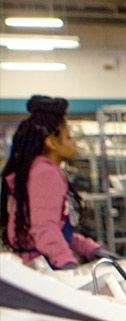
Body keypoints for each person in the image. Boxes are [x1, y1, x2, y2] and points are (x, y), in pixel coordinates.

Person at [1, 95, 118, 269]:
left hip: (33, 264)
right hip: (44, 269)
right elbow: (45, 228)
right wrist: (66, 263)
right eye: (69, 137)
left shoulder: (35, 170)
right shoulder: (45, 173)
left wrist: (89, 248)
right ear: (52, 142)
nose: (74, 143)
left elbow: (53, 228)